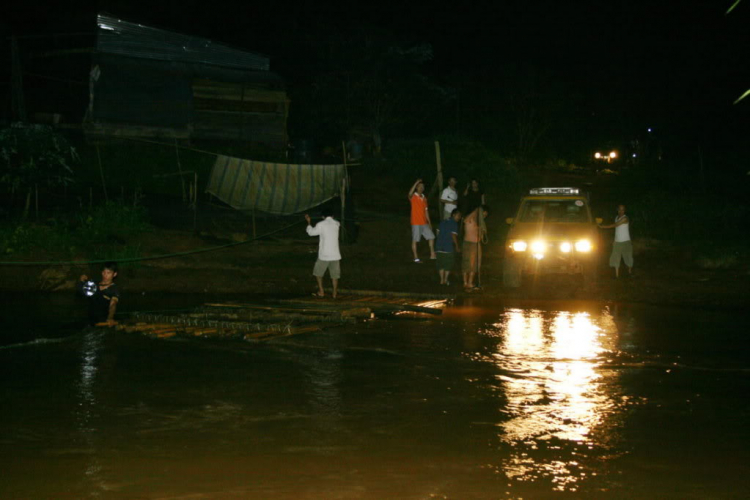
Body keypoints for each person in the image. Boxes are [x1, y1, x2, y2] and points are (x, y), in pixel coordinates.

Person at [305, 208, 342, 298]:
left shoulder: (321, 224)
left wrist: (309, 222)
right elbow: (334, 223)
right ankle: (334, 293)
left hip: (324, 255)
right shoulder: (337, 224)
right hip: (335, 255)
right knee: (334, 276)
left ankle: (321, 291)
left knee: (318, 273)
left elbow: (311, 233)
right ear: (332, 216)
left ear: (322, 216)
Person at [77, 261, 120, 326]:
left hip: (103, 322)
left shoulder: (114, 289)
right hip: (89, 320)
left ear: (114, 274)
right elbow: (81, 291)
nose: (105, 275)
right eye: (104, 272)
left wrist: (110, 318)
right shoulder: (93, 284)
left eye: (108, 273)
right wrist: (81, 281)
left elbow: (113, 305)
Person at [599, 204, 633, 278]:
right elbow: (617, 230)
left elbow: (615, 225)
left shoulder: (625, 218)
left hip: (626, 241)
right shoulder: (616, 217)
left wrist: (603, 226)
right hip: (617, 241)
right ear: (617, 210)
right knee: (615, 257)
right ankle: (616, 275)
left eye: (623, 209)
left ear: (624, 210)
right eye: (620, 209)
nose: (621, 211)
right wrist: (614, 240)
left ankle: (629, 272)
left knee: (628, 257)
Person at [408, 178, 436, 263]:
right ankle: (416, 258)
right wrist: (416, 182)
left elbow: (426, 211)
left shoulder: (424, 198)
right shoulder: (414, 197)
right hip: (416, 222)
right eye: (419, 186)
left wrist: (429, 222)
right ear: (416, 187)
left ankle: (432, 254)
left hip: (424, 222)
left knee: (431, 237)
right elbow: (409, 194)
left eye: (422, 187)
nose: (421, 188)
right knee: (415, 240)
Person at [462, 205, 489, 291]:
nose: (484, 217)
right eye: (483, 214)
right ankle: (465, 283)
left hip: (476, 244)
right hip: (468, 243)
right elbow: (465, 221)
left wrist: (481, 231)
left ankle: (470, 282)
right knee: (466, 263)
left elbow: (481, 236)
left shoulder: (480, 224)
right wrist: (477, 210)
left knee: (475, 264)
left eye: (485, 216)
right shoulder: (470, 220)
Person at [435, 209, 462, 285]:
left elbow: (437, 231)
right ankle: (445, 279)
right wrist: (457, 246)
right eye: (458, 215)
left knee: (441, 264)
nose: (459, 217)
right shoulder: (454, 223)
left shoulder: (443, 221)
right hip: (448, 247)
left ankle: (441, 280)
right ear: (453, 215)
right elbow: (453, 235)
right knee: (448, 264)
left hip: (439, 246)